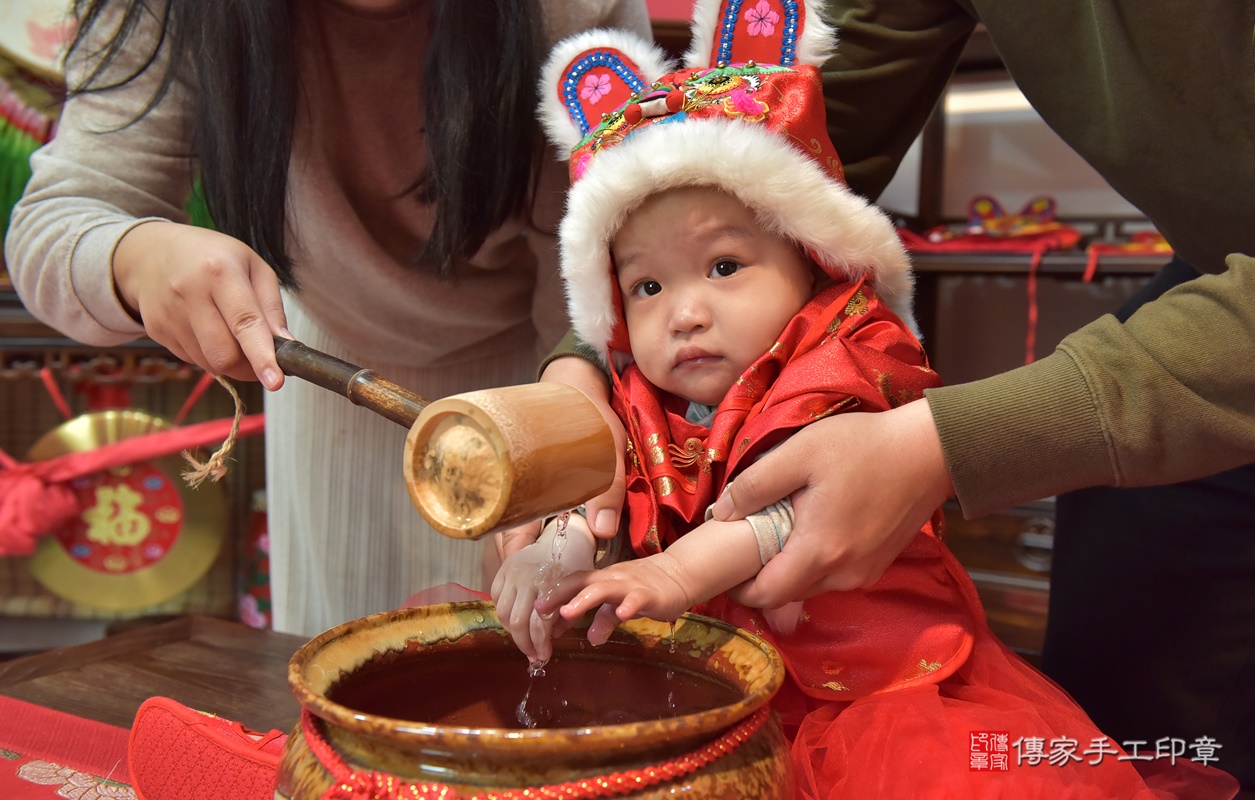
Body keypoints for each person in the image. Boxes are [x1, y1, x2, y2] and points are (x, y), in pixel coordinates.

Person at [492, 11, 1240, 797]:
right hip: (705, 675)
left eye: (722, 265)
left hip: (864, 688)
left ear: (813, 261)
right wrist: (558, 550)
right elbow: (610, 504)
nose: (683, 312)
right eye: (647, 286)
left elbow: (781, 518)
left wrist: (677, 571)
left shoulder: (841, 357)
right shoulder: (640, 389)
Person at [4, 0, 651, 637]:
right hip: (322, 374)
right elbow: (59, 218)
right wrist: (136, 257)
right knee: (332, 671)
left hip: (544, 371)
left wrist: (571, 397)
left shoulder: (573, 11)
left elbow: (607, 258)